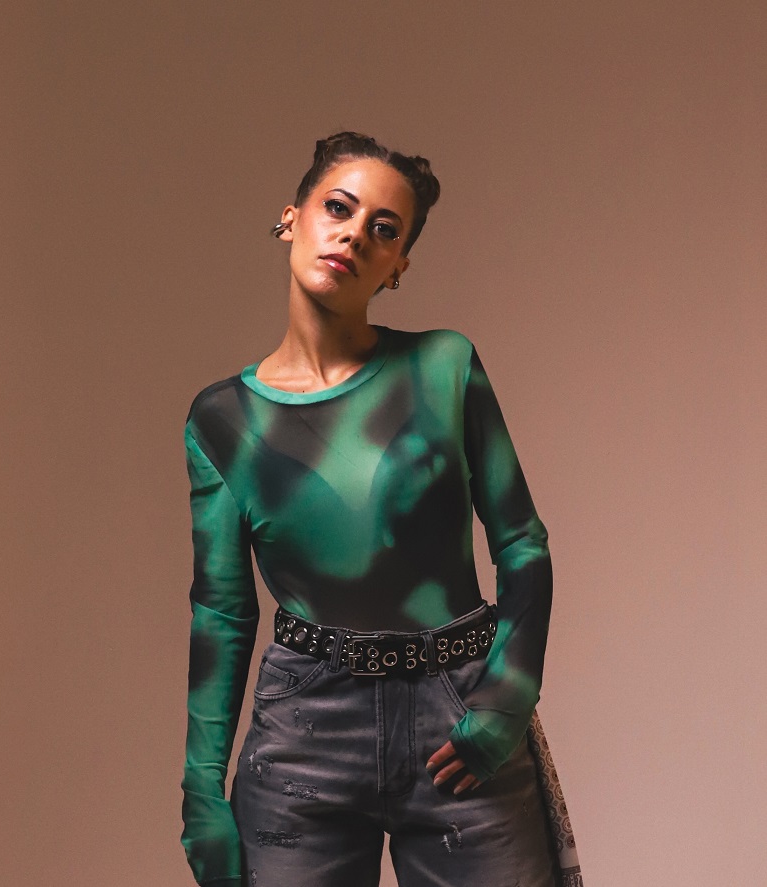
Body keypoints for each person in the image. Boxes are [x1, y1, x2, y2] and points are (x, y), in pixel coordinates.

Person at [180, 132, 582, 887]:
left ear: (398, 266)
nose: (355, 234)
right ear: (291, 218)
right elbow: (223, 611)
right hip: (303, 731)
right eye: (338, 208)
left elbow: (523, 542)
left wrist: (507, 698)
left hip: (458, 713)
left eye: (385, 229)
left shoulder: (445, 366)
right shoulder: (222, 420)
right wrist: (201, 790)